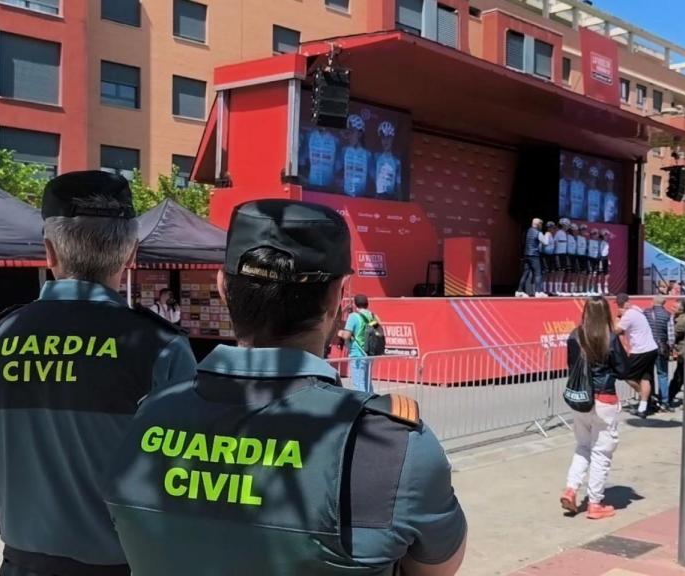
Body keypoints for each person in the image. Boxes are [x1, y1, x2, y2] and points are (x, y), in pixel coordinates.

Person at [105, 199, 467, 575]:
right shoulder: (390, 446)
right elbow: (437, 568)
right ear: (339, 296)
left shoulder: (147, 418)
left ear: (223, 287)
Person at [0, 171, 196, 576]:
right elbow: (184, 492)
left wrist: (38, 532)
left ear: (48, 252)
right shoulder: (162, 349)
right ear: (131, 254)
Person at [561, 296, 626, 520]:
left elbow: (571, 366)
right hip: (604, 398)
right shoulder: (610, 338)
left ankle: (571, 488)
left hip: (580, 399)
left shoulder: (575, 335)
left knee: (582, 446)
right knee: (602, 452)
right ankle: (595, 502)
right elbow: (623, 368)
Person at [614, 293, 659, 418]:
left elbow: (616, 331)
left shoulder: (628, 315)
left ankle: (644, 395)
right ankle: (643, 408)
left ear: (619, 304)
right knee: (645, 378)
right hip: (651, 348)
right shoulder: (637, 311)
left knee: (626, 375)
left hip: (640, 350)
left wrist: (617, 318)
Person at [340, 294, 378, 393]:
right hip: (369, 352)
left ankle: (363, 405)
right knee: (367, 382)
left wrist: (340, 333)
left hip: (357, 353)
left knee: (358, 384)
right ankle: (371, 403)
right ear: (367, 304)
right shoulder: (372, 316)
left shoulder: (353, 316)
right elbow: (377, 331)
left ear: (355, 304)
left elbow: (346, 336)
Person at [644, 296, 674, 411]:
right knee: (663, 375)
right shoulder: (668, 315)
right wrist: (670, 348)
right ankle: (664, 402)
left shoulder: (645, 313)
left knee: (648, 374)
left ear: (652, 302)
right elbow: (671, 337)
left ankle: (650, 400)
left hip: (648, 347)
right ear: (664, 303)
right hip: (661, 347)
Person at [340, 114, 373, 197]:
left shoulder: (367, 155)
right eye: (348, 132)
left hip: (361, 198)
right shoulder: (344, 151)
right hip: (345, 195)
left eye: (352, 132)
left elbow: (372, 178)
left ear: (360, 134)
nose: (349, 136)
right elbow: (336, 170)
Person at [517, 218, 547, 298]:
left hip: (526, 254)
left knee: (525, 273)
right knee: (538, 273)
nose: (541, 226)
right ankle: (538, 291)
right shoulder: (538, 233)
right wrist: (547, 235)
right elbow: (545, 242)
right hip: (534, 255)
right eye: (541, 224)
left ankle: (519, 291)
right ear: (538, 224)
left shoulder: (528, 231)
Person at [374, 121, 403, 200]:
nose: (386, 141)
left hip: (390, 198)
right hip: (377, 197)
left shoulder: (397, 162)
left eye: (388, 137)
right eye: (383, 137)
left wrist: (401, 204)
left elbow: (398, 184)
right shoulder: (376, 157)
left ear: (392, 139)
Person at [669, 302, 685, 408]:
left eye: (675, 307)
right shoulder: (683, 318)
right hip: (684, 352)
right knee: (680, 376)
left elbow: (673, 334)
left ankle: (669, 397)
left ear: (681, 310)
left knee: (679, 377)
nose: (672, 308)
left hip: (684, 353)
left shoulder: (681, 320)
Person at [553, 219, 570, 295]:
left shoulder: (565, 233)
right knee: (559, 272)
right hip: (558, 254)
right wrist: (555, 254)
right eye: (566, 225)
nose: (567, 227)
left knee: (562, 272)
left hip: (564, 255)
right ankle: (556, 289)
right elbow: (555, 243)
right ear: (563, 225)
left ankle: (560, 289)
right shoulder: (558, 233)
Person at [541, 222, 557, 295]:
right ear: (549, 228)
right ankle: (544, 290)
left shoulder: (551, 235)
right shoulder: (547, 234)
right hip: (546, 255)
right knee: (546, 273)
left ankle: (549, 290)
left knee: (551, 273)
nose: (554, 229)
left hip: (551, 255)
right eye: (553, 228)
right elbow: (546, 243)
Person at [586, 229, 601, 295]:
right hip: (590, 259)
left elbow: (599, 252)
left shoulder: (598, 242)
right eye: (594, 234)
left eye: (597, 234)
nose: (596, 235)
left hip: (596, 260)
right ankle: (587, 290)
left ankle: (592, 290)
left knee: (594, 275)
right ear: (591, 235)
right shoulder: (588, 241)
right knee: (589, 274)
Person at [575, 224, 589, 295]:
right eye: (582, 229)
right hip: (578, 257)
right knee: (577, 273)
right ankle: (575, 289)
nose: (584, 231)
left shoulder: (585, 239)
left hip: (583, 257)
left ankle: (580, 290)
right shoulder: (577, 238)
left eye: (585, 229)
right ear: (580, 231)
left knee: (583, 274)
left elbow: (586, 249)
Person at [598, 229, 612, 295]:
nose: (607, 237)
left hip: (606, 258)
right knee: (600, 273)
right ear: (602, 236)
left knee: (607, 273)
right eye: (605, 235)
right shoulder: (599, 242)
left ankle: (606, 288)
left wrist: (608, 259)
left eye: (607, 235)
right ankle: (599, 288)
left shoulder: (607, 243)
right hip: (600, 258)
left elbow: (606, 252)